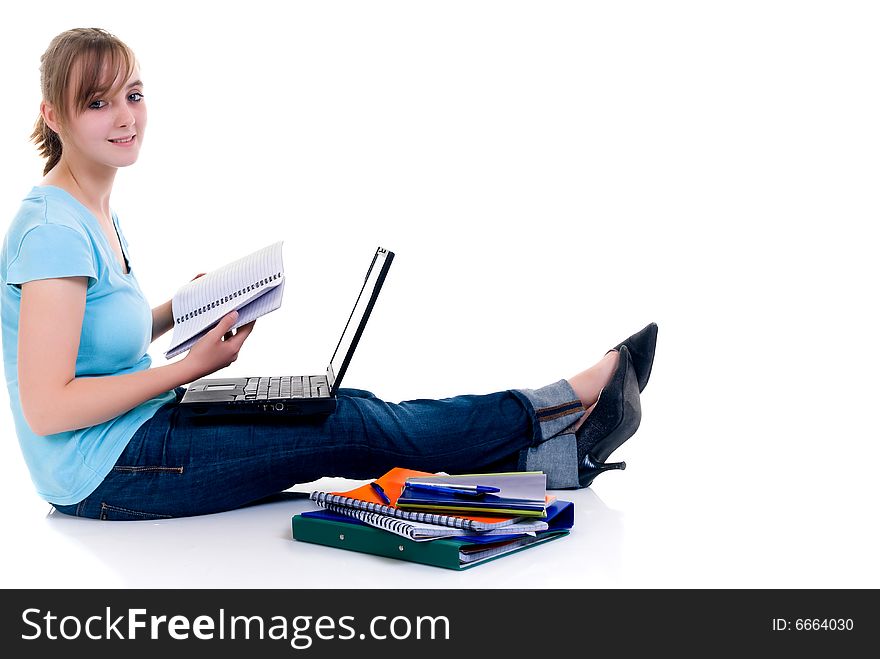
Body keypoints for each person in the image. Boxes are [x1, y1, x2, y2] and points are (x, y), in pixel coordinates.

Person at [1, 28, 658, 521]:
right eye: (98, 103)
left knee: (353, 406)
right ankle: (570, 398)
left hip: (135, 433)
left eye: (133, 95)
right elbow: (49, 403)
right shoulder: (56, 231)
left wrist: (179, 309)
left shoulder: (87, 206)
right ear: (52, 116)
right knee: (348, 428)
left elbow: (90, 342)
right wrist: (187, 367)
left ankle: (557, 458)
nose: (125, 117)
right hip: (111, 472)